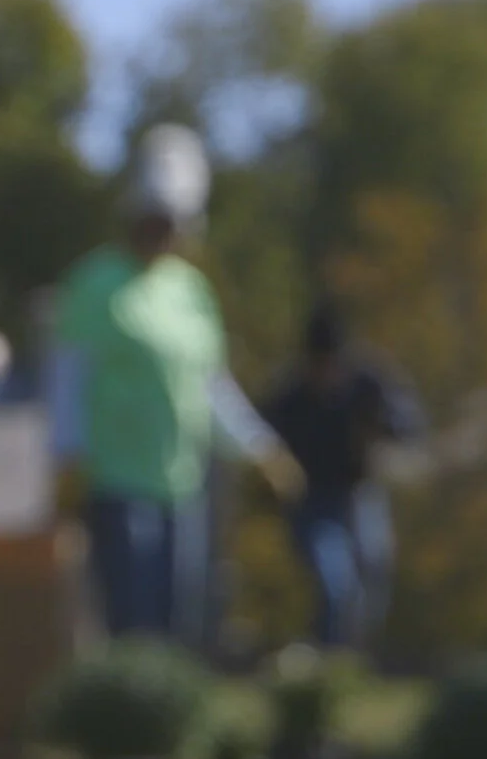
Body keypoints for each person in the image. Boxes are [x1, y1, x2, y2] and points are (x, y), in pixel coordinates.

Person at [45, 125, 303, 641]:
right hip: (116, 483)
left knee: (178, 619)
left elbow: (210, 386)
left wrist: (259, 449)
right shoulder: (95, 284)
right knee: (132, 619)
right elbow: (68, 382)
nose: (160, 233)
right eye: (152, 221)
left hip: (182, 486)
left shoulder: (191, 291)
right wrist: (66, 456)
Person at [263, 301, 425, 647]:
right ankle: (330, 662)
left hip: (359, 495)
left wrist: (381, 428)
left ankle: (358, 655)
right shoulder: (290, 396)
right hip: (313, 503)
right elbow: (263, 443)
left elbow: (408, 423)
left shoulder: (369, 381)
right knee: (335, 583)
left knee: (374, 573)